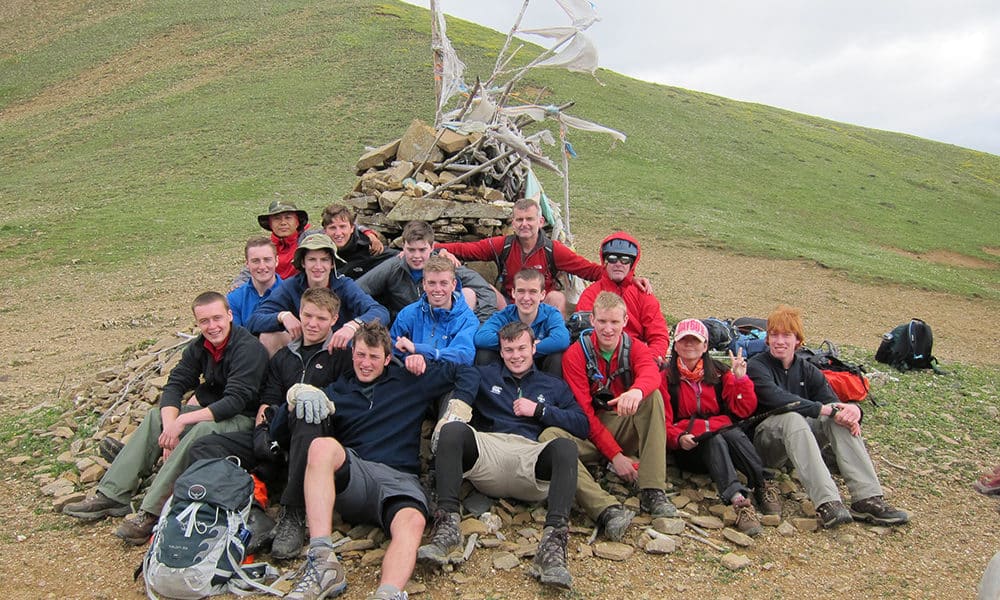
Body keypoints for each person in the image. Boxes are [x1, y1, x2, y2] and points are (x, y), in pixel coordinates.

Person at [284, 322, 477, 600]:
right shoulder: (336, 391)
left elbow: (466, 371)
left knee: (412, 522)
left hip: (400, 479)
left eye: (374, 357)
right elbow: (281, 425)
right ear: (352, 353)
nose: (365, 363)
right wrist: (297, 395)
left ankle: (388, 593)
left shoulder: (410, 380)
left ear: (388, 359)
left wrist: (457, 407)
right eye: (361, 355)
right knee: (321, 447)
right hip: (357, 474)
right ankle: (322, 560)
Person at [63, 292, 267, 544]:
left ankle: (151, 512)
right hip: (213, 412)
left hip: (244, 421)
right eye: (204, 321)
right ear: (197, 322)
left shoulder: (248, 349)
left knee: (201, 430)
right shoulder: (199, 347)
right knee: (154, 417)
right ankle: (113, 493)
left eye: (217, 318)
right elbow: (175, 385)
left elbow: (235, 401)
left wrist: (181, 424)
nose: (212, 327)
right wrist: (170, 425)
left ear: (229, 315)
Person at [418, 322, 588, 589]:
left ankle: (553, 546)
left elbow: (582, 424)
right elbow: (453, 372)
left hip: (531, 457)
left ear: (534, 348)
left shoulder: (553, 385)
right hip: (489, 452)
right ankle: (447, 527)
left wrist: (540, 411)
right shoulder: (485, 375)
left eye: (522, 348)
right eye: (508, 350)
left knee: (565, 448)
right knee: (453, 430)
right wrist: (421, 359)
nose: (516, 355)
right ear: (500, 351)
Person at [189, 288, 353, 559]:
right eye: (307, 315)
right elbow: (268, 400)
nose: (312, 324)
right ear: (299, 313)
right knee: (205, 446)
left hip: (318, 440)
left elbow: (345, 401)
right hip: (278, 432)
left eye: (321, 319)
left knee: (305, 413)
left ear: (334, 319)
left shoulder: (342, 356)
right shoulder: (283, 357)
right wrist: (261, 432)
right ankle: (246, 508)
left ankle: (293, 513)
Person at [747, 304, 910, 528]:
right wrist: (823, 409)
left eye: (786, 335)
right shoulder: (756, 366)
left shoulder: (807, 369)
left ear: (798, 340)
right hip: (765, 447)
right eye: (774, 335)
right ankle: (827, 502)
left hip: (798, 444)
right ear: (767, 339)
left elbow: (833, 403)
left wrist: (853, 411)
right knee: (793, 416)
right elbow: (777, 399)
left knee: (839, 419)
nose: (779, 341)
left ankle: (867, 498)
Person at [539, 291, 674, 542]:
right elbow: (585, 413)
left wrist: (636, 390)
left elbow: (651, 373)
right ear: (592, 320)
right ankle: (605, 508)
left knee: (651, 396)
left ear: (625, 321)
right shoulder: (576, 355)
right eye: (602, 322)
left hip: (622, 424)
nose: (608, 329)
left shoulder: (636, 348)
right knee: (549, 437)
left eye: (614, 322)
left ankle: (653, 489)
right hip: (590, 433)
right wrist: (616, 455)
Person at [663, 319, 780, 536]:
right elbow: (663, 423)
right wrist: (679, 438)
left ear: (705, 345)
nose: (689, 345)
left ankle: (762, 482)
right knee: (714, 438)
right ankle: (738, 500)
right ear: (676, 345)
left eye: (695, 340)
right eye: (684, 340)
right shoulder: (666, 378)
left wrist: (741, 380)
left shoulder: (719, 373)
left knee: (732, 433)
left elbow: (743, 410)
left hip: (725, 438)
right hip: (690, 449)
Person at [435, 198, 605, 315]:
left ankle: (555, 342)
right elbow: (467, 249)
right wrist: (437, 249)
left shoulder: (552, 250)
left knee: (557, 297)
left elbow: (588, 270)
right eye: (520, 220)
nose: (524, 224)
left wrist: (623, 277)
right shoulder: (504, 245)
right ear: (513, 223)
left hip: (541, 307)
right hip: (509, 305)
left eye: (529, 219)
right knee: (484, 287)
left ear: (541, 221)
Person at [246, 234, 389, 356]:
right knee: (268, 337)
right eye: (312, 260)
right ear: (303, 262)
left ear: (332, 263)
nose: (318, 266)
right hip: (301, 348)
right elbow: (254, 320)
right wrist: (282, 316)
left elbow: (380, 312)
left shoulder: (344, 285)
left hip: (338, 350)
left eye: (324, 260)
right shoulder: (291, 286)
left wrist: (352, 326)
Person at [357, 220, 497, 323]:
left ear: (431, 247)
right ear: (403, 247)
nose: (416, 256)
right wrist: (384, 312)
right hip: (408, 326)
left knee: (470, 293)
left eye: (422, 250)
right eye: (411, 250)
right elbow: (358, 289)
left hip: (446, 326)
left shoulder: (445, 264)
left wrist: (480, 324)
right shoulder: (393, 266)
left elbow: (484, 290)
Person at [576, 232, 670, 365]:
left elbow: (659, 335)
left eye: (625, 259)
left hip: (639, 359)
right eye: (613, 258)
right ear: (605, 262)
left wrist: (649, 359)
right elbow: (585, 334)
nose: (618, 264)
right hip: (601, 360)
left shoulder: (643, 294)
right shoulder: (590, 295)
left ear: (632, 264)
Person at [389, 256, 478, 374]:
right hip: (411, 377)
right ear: (424, 284)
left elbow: (464, 356)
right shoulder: (408, 313)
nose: (437, 289)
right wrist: (411, 359)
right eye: (432, 283)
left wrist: (421, 351)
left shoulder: (467, 319)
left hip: (448, 382)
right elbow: (390, 346)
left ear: (453, 284)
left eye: (443, 283)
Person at [473, 268, 569, 375]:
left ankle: (552, 390)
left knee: (557, 356)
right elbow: (481, 337)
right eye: (521, 291)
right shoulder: (505, 315)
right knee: (484, 354)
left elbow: (562, 339)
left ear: (542, 294)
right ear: (513, 293)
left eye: (533, 292)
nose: (526, 298)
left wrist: (531, 348)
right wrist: (517, 346)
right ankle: (490, 390)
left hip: (540, 366)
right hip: (511, 363)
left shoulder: (551, 313)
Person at [319, 203, 397, 279]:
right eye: (332, 228)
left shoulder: (367, 246)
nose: (338, 233)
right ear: (325, 231)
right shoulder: (317, 248)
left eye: (343, 227)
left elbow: (398, 256)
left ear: (352, 228)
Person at [228, 236, 282, 328]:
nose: (262, 266)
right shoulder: (235, 298)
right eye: (255, 261)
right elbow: (235, 337)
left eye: (267, 260)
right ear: (247, 264)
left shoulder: (290, 293)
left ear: (276, 261)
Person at [256, 200, 312, 280]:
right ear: (270, 224)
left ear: (297, 222)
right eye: (277, 218)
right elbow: (250, 269)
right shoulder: (264, 247)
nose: (283, 222)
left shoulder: (310, 241)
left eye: (288, 218)